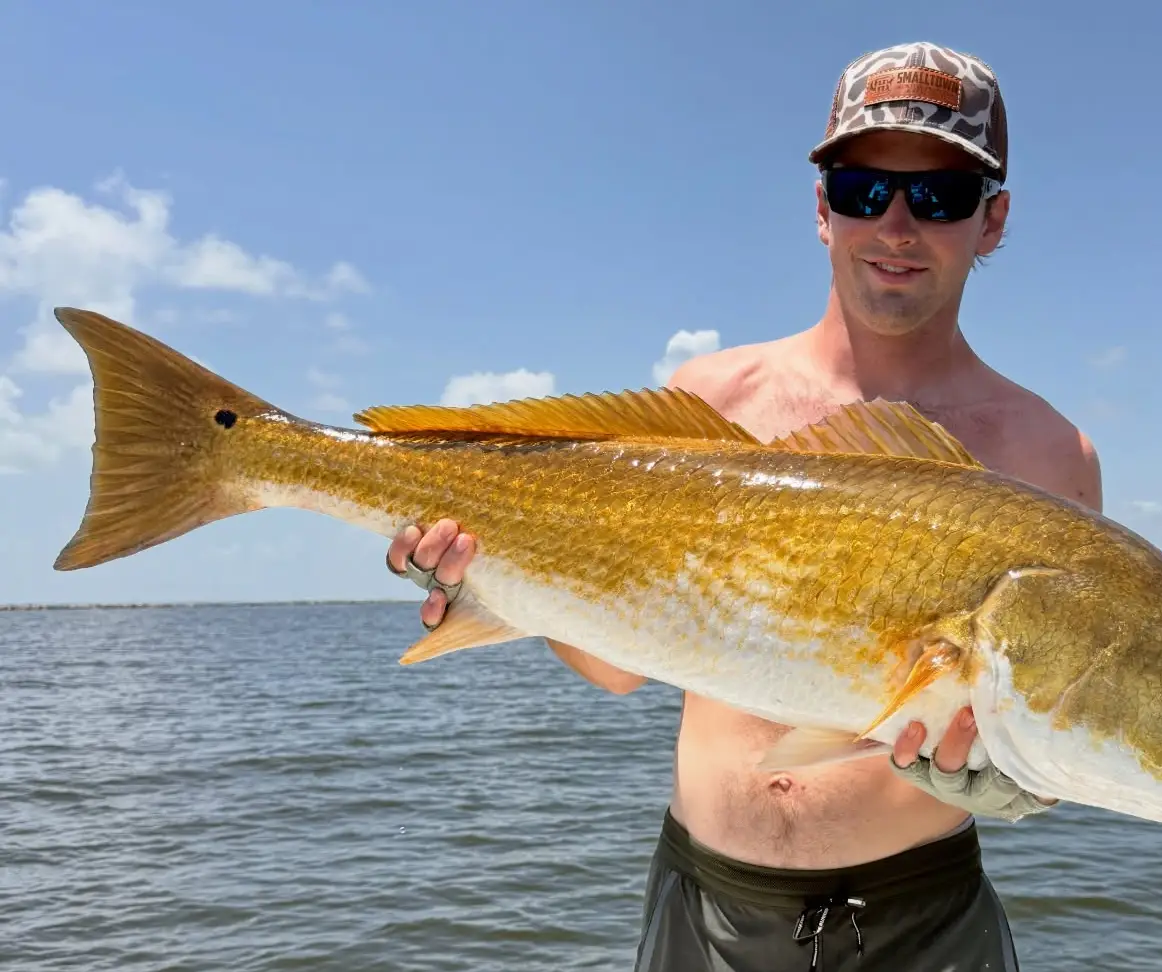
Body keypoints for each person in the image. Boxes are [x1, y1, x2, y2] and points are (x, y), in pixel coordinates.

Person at [386, 40, 1102, 972]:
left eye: (938, 196)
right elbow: (617, 666)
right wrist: (498, 586)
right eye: (860, 188)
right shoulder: (714, 398)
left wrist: (1018, 787)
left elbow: (1073, 723)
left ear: (992, 220)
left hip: (925, 919)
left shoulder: (1052, 455)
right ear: (820, 209)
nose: (895, 224)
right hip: (704, 907)